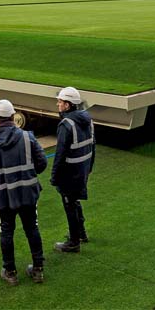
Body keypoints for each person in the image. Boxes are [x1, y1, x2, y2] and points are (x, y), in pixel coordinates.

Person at [0, 100, 47, 285]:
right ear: (12, 116)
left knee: (6, 232)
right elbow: (42, 163)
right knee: (32, 228)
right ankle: (38, 269)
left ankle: (10, 272)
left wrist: (0, 181)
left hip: (3, 196)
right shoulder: (27, 137)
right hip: (28, 193)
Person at [51, 86, 95, 253]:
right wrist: (89, 167)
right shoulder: (88, 120)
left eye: (60, 102)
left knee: (69, 204)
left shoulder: (66, 125)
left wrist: (54, 177)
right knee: (75, 200)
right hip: (83, 169)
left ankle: (74, 241)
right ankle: (81, 233)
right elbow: (93, 145)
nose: (58, 104)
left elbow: (60, 155)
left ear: (68, 105)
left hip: (69, 172)